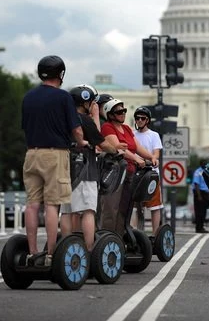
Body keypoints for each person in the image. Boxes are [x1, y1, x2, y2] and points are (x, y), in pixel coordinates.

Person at [21, 55, 87, 267]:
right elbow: (76, 129)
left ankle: (32, 253)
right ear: (61, 74)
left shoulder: (28, 97)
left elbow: (25, 126)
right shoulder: (63, 98)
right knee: (52, 204)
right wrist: (81, 142)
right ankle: (50, 254)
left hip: (31, 153)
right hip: (55, 154)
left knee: (32, 205)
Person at [60, 84, 121, 251]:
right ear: (85, 102)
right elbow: (101, 142)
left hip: (65, 170)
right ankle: (89, 251)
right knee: (88, 211)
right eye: (93, 102)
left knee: (66, 211)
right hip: (85, 172)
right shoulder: (84, 120)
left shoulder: (65, 119)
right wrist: (116, 150)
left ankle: (65, 249)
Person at [100, 99, 157, 237]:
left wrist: (151, 157)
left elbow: (137, 147)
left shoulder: (126, 128)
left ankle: (119, 238)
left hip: (130, 173)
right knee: (112, 207)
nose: (123, 113)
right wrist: (136, 159)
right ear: (110, 114)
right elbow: (118, 148)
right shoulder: (107, 127)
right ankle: (107, 237)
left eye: (124, 110)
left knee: (125, 208)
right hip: (115, 172)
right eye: (119, 111)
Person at [131, 106, 163, 236]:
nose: (139, 120)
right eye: (137, 118)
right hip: (136, 173)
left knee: (154, 205)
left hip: (150, 174)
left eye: (142, 118)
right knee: (133, 206)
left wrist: (154, 159)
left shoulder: (154, 135)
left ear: (147, 120)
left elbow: (156, 153)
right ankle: (133, 234)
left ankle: (156, 235)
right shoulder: (132, 134)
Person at [191, 159, 209, 233]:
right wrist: (199, 196)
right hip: (199, 193)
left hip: (205, 193)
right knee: (199, 212)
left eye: (206, 163)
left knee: (204, 211)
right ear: (200, 164)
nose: (205, 164)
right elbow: (196, 184)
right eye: (204, 163)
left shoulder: (207, 171)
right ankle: (198, 228)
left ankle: (201, 227)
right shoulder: (198, 172)